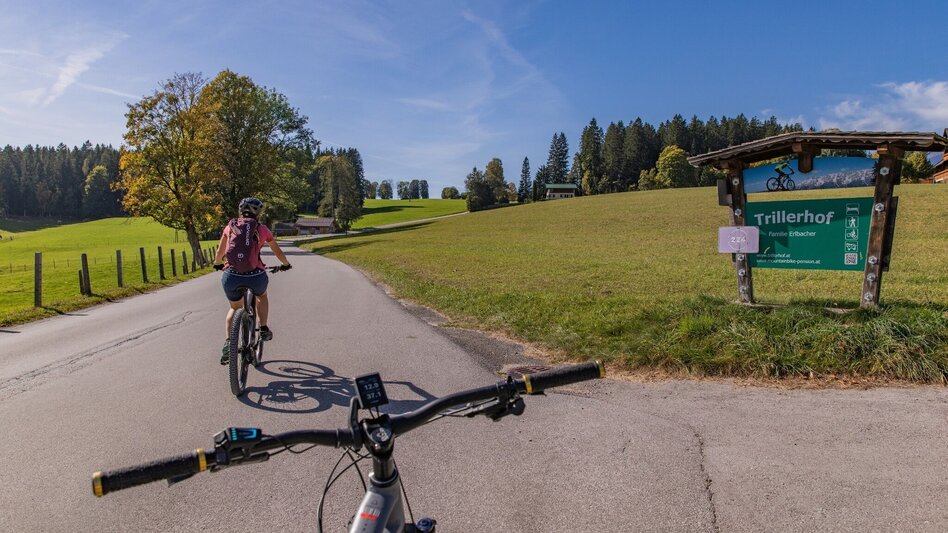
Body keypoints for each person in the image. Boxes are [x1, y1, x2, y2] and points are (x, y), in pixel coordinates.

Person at [213, 197, 291, 365]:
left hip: (232, 275)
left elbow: (220, 251)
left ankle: (228, 344)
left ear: (241, 211)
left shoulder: (230, 227)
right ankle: (263, 329)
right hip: (255, 276)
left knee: (234, 308)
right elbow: (277, 251)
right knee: (262, 296)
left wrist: (217, 264)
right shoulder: (262, 229)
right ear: (259, 213)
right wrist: (286, 264)